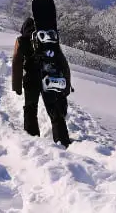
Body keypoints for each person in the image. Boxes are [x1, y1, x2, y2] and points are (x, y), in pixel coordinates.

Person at [11, 17, 72, 148]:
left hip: (31, 80)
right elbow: (62, 62)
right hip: (49, 78)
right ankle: (63, 141)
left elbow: (17, 62)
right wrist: (66, 85)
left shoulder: (21, 40)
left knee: (30, 109)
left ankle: (32, 141)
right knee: (54, 109)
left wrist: (16, 86)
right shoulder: (49, 39)